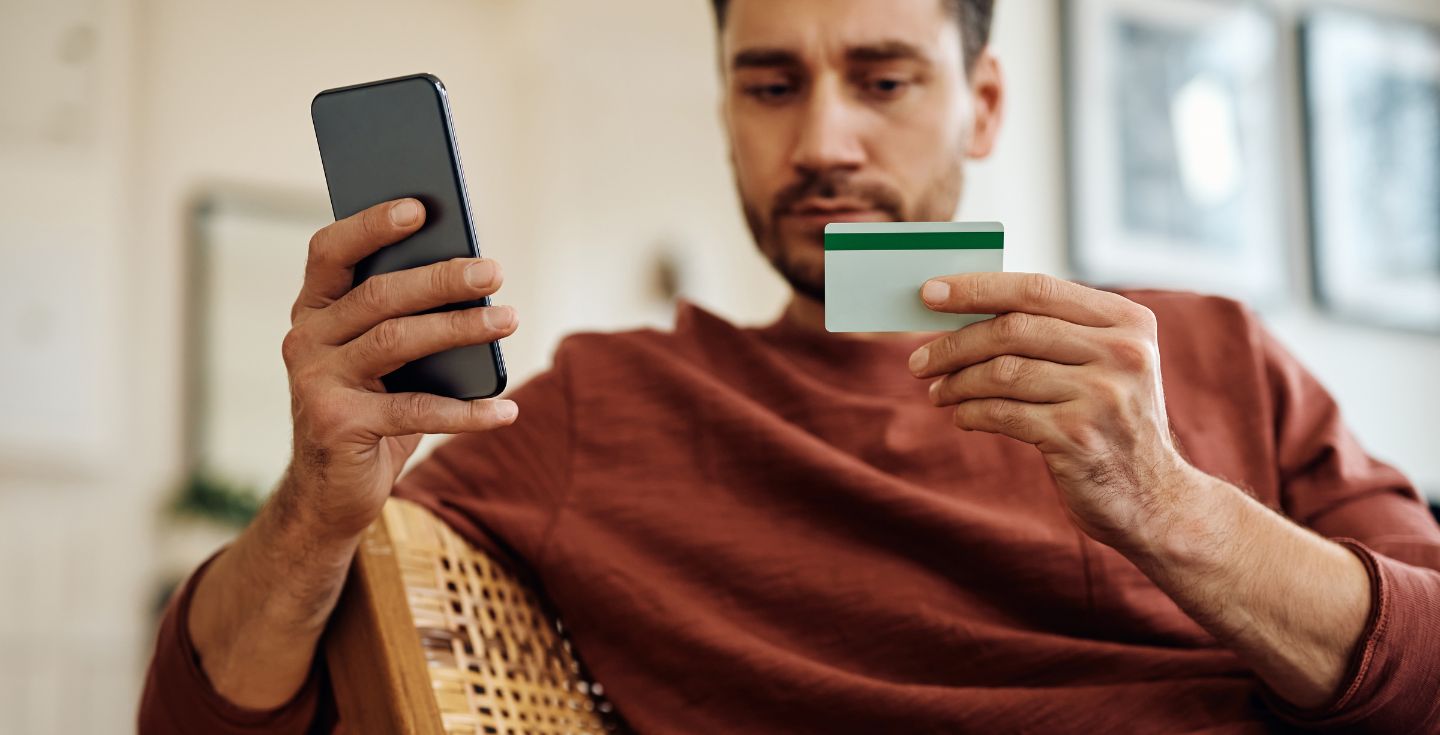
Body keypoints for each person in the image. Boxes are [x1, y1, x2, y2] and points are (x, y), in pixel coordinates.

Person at [139, 0, 1440, 732]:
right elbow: (203, 725)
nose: (823, 140)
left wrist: (1172, 509)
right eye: (769, 86)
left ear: (982, 105)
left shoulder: (1206, 351)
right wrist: (318, 500)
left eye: (883, 81)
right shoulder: (603, 406)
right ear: (723, 114)